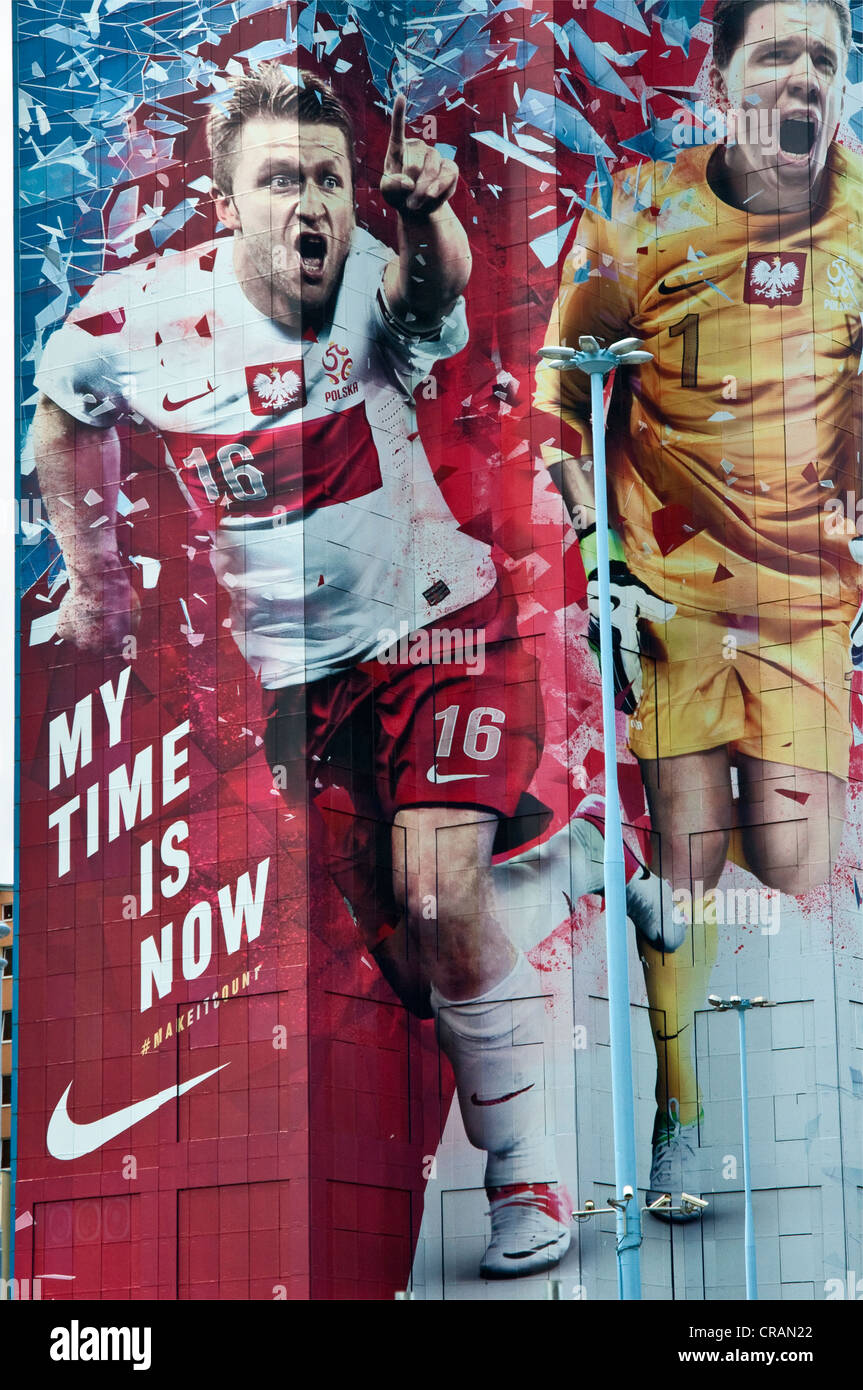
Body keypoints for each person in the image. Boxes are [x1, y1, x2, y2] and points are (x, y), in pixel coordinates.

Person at [33, 61, 661, 1279]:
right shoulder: (134, 321)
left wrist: (424, 215)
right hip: (303, 695)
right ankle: (565, 863)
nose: (309, 202)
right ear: (228, 204)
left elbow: (437, 306)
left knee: (433, 890)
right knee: (400, 957)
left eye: (326, 176)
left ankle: (524, 1176)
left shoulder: (375, 273)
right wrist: (98, 582)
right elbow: (61, 417)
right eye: (280, 180)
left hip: (441, 638)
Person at [536, 0, 863, 1215]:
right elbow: (562, 398)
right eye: (774, 53)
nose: (802, 77)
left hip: (805, 600)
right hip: (666, 590)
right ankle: (679, 1121)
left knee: (794, 857)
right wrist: (593, 554)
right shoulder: (635, 209)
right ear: (720, 81)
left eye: (823, 58)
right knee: (688, 855)